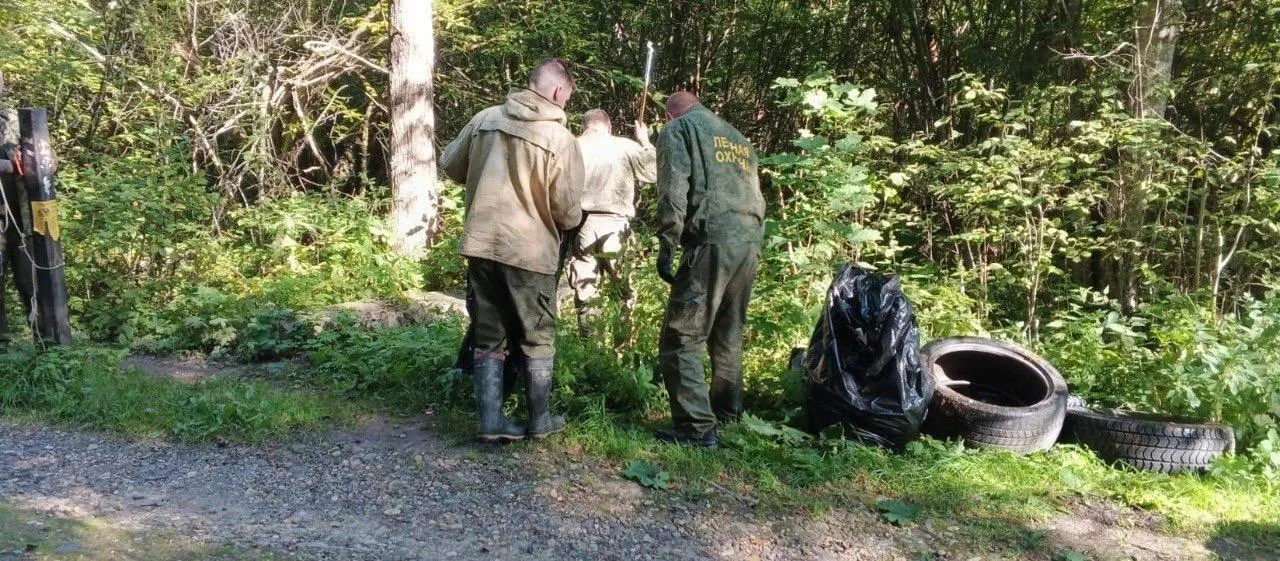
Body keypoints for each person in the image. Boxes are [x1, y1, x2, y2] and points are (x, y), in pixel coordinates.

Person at [440, 58, 585, 442]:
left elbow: (450, 166)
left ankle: (491, 423)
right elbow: (568, 212)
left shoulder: (484, 119)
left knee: (489, 335)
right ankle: (540, 420)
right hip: (529, 252)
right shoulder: (561, 140)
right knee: (537, 336)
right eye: (568, 95)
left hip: (482, 244)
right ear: (558, 92)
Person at [653, 91, 765, 448]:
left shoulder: (679, 130)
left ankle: (697, 429)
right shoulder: (736, 136)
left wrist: (668, 243)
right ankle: (728, 416)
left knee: (681, 337)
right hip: (749, 242)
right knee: (727, 333)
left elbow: (672, 190)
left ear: (670, 116)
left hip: (711, 241)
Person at [569, 109, 656, 337]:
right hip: (617, 227)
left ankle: (591, 348)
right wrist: (645, 142)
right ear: (609, 127)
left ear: (582, 127)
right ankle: (622, 346)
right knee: (623, 287)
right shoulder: (624, 145)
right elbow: (653, 173)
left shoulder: (572, 145)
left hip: (582, 225)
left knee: (586, 289)